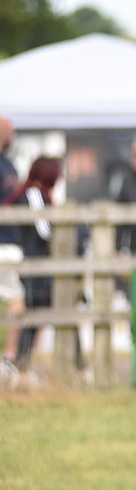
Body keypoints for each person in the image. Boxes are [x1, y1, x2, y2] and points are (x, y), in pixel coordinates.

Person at [7, 157, 62, 377]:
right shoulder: (34, 194)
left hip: (35, 262)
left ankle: (21, 364)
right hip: (30, 261)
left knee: (37, 311)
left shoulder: (36, 194)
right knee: (30, 310)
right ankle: (17, 363)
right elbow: (44, 230)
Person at [0, 116, 24, 378]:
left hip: (10, 241)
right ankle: (9, 357)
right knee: (16, 300)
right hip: (4, 243)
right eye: (8, 129)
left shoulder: (8, 163)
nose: (12, 134)